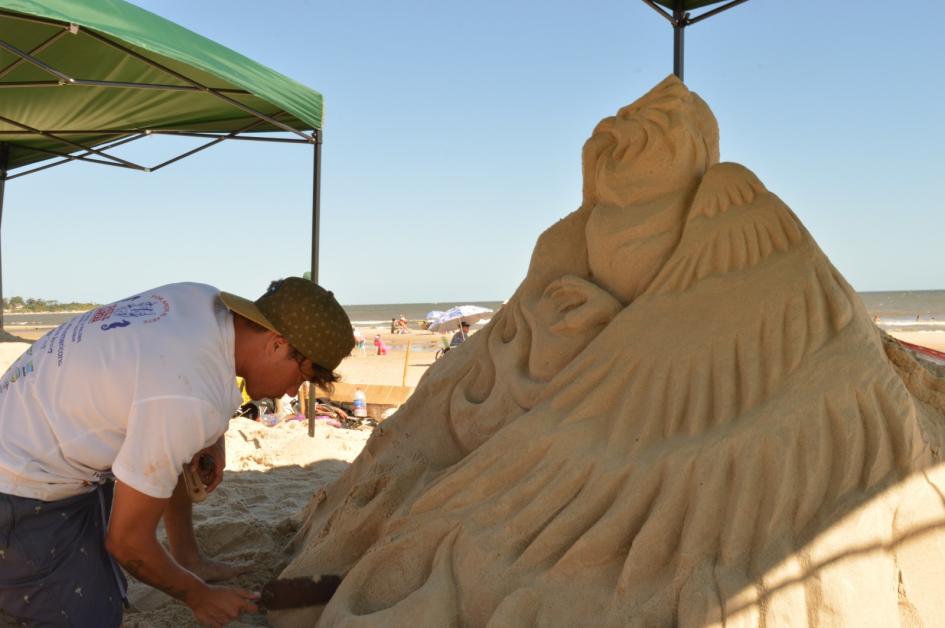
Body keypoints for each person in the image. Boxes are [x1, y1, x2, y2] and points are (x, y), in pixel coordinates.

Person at [0, 277, 354, 627]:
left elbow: (163, 388)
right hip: (18, 483)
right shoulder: (188, 399)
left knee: (109, 582)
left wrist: (211, 436)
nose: (293, 391)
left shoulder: (202, 300)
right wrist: (198, 596)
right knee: (94, 615)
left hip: (36, 422)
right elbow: (127, 544)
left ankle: (187, 556)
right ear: (276, 345)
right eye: (300, 376)